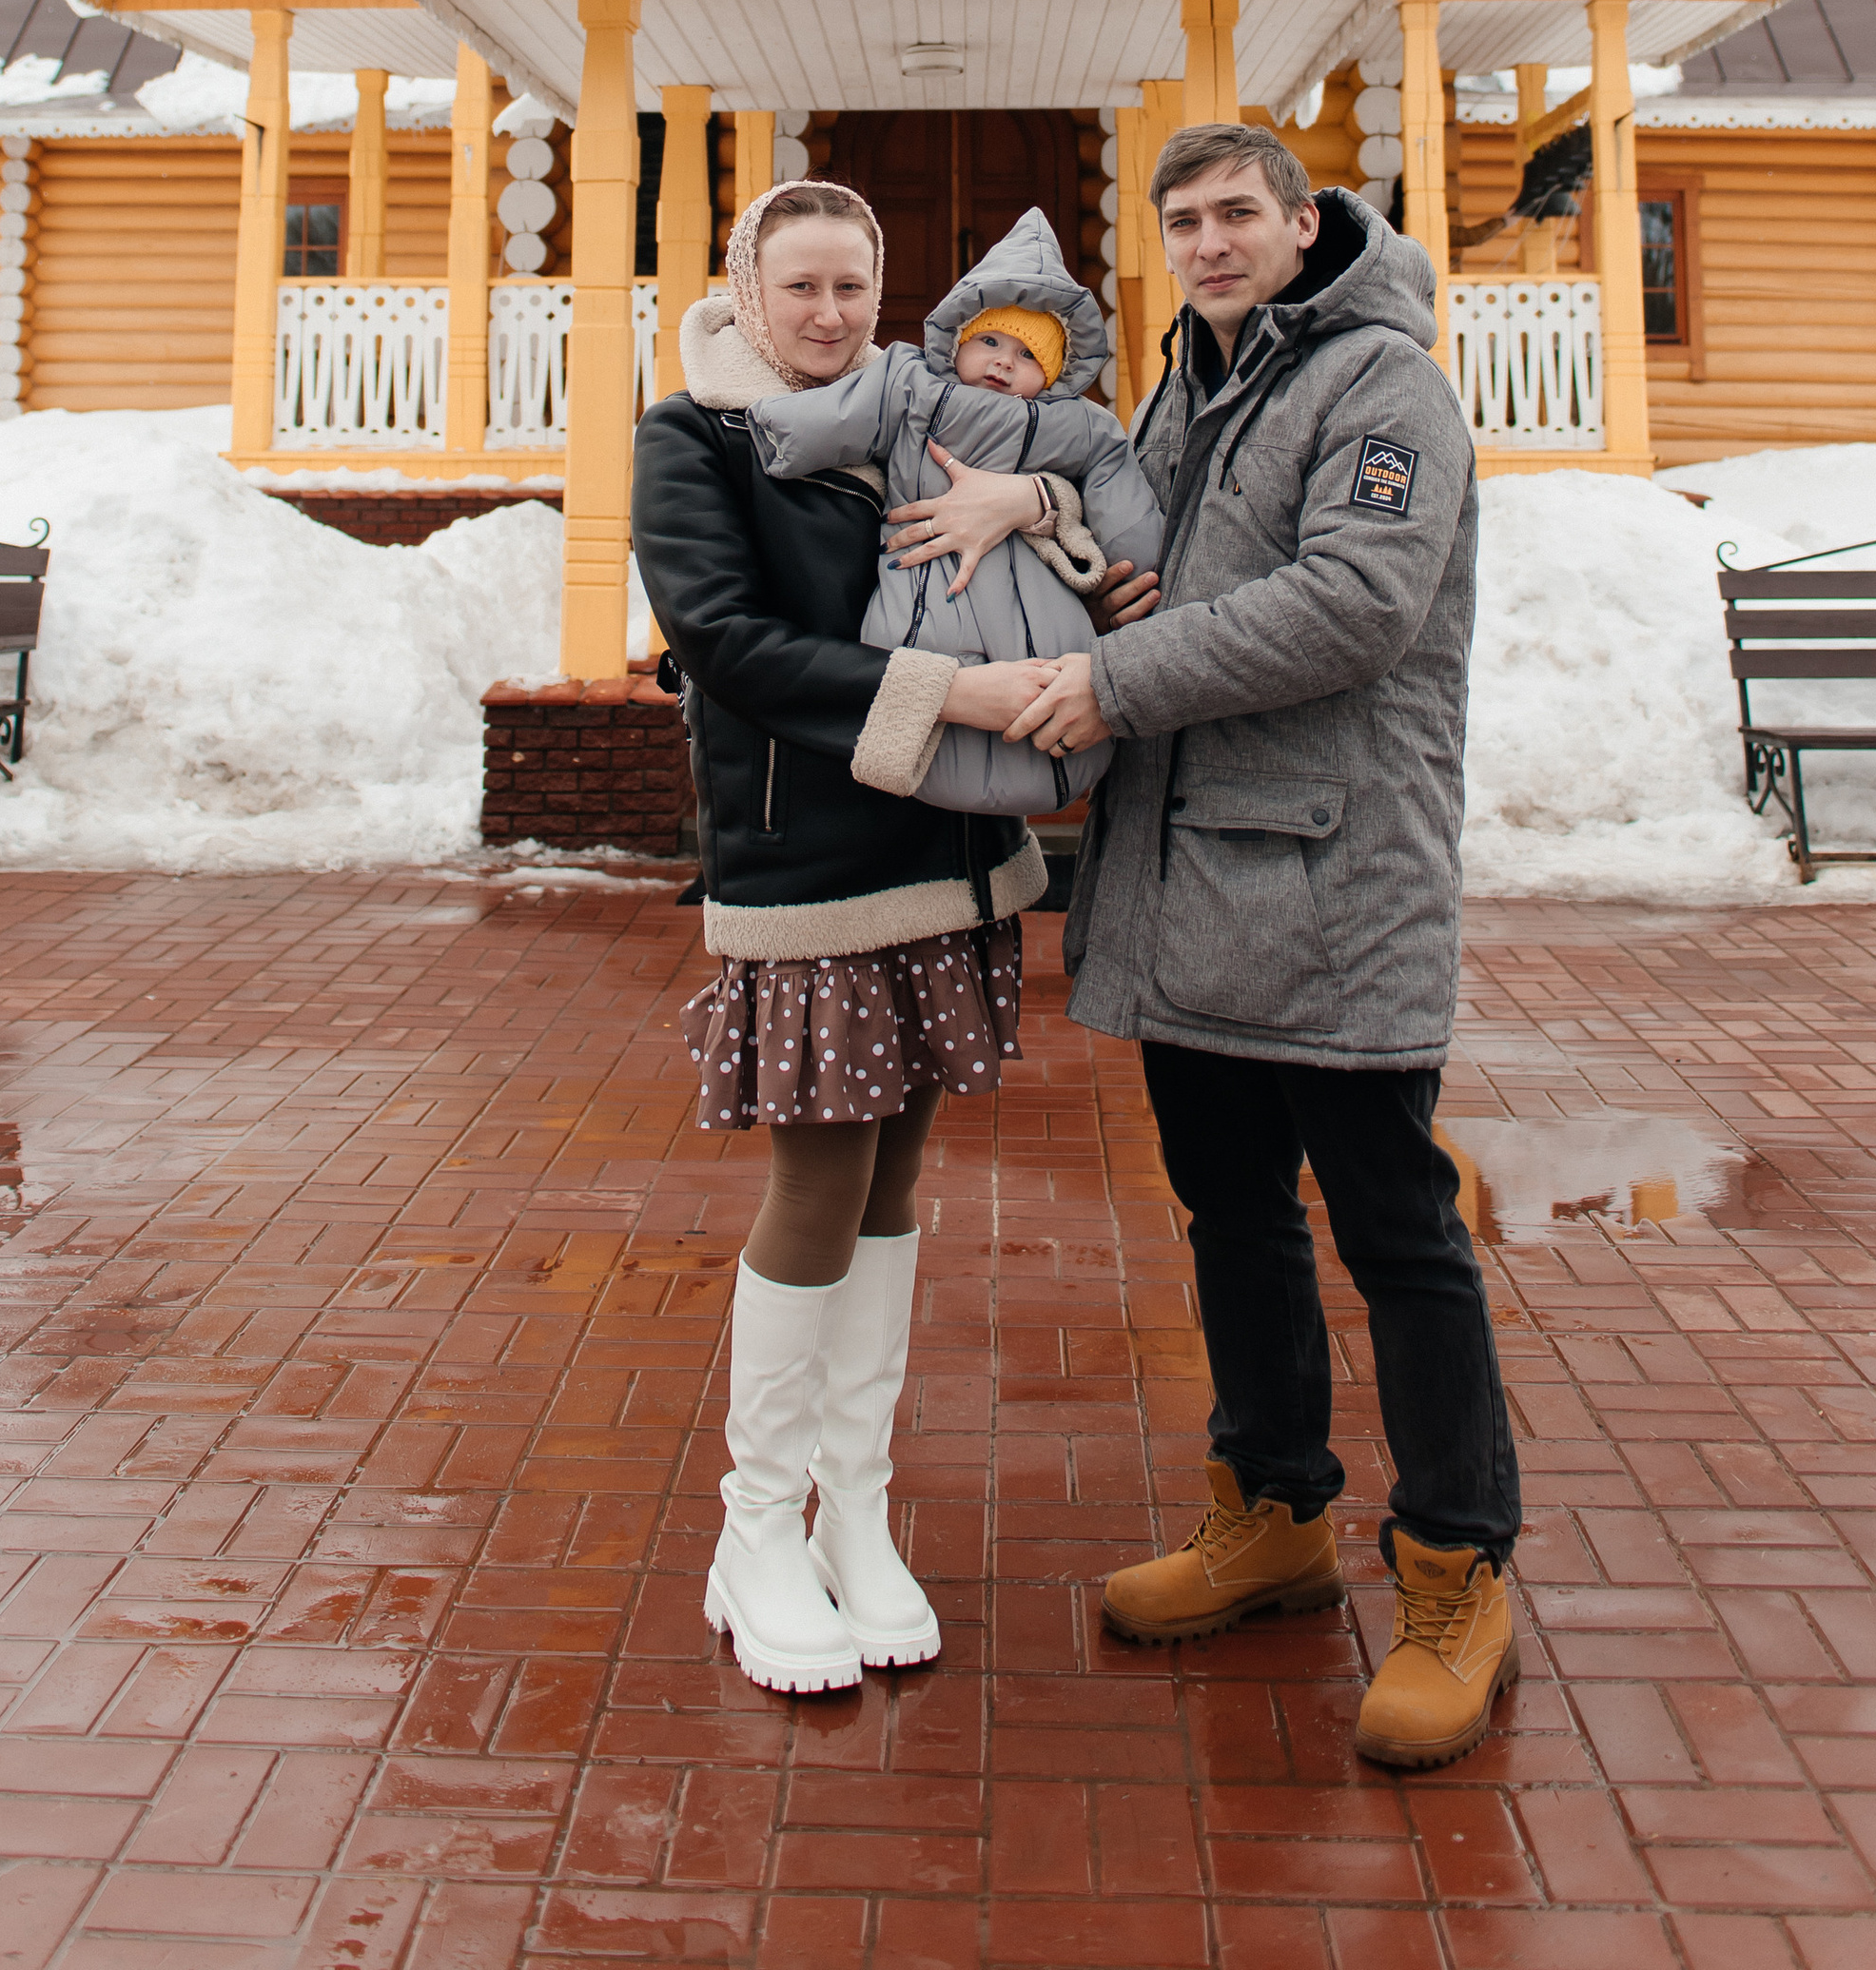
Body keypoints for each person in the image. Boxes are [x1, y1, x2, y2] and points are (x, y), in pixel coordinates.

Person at [1005, 120, 1521, 1772]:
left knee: (1397, 1230)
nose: (1212, 240)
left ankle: (1455, 1570)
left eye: (1240, 213)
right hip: (1192, 873)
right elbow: (1174, 575)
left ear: (1306, 226)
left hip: (1339, 871)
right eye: (1185, 218)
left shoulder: (1383, 388)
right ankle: (1276, 1513)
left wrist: (1120, 678)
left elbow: (1356, 604)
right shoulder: (1186, 384)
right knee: (1231, 1211)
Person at [631, 176, 1083, 1698]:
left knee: (898, 1177)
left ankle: (856, 1511)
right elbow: (725, 639)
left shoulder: (918, 410)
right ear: (745, 290)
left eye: (852, 290)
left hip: (944, 856)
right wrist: (945, 698)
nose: (829, 316)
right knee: (821, 1178)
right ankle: (754, 1528)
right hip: (809, 861)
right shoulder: (697, 433)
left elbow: (1057, 512)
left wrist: (1030, 499)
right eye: (800, 287)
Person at [744, 204, 1162, 816]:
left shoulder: (1077, 423)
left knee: (1044, 674)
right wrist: (776, 431)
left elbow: (1117, 492)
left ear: (1053, 373)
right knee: (916, 653)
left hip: (1029, 590)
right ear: (959, 336)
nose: (1001, 361)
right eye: (989, 341)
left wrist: (1068, 518)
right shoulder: (910, 385)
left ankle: (1054, 775)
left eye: (1026, 355)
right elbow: (842, 417)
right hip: (924, 578)